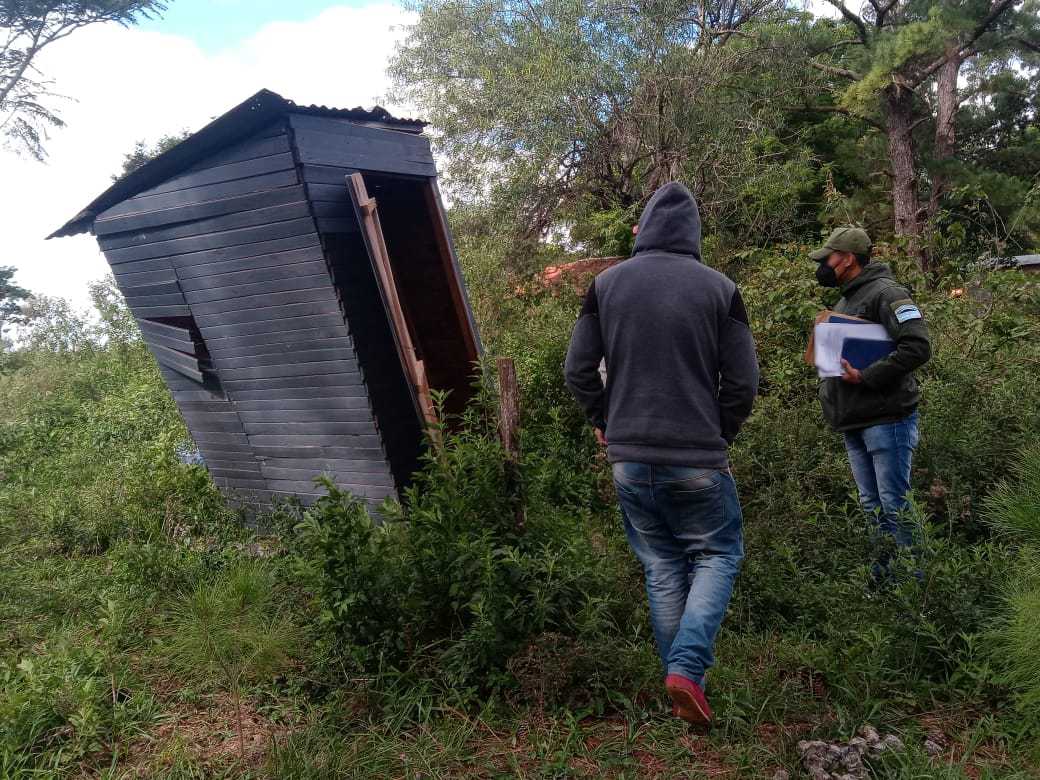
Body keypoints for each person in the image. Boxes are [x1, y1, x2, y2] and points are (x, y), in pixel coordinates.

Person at [564, 182, 759, 725]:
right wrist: (720, 433)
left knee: (662, 564)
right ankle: (687, 671)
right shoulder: (721, 289)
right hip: (697, 455)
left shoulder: (605, 285)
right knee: (717, 554)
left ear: (644, 227)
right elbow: (743, 382)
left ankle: (681, 686)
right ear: (693, 233)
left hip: (628, 458)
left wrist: (605, 422)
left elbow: (578, 370)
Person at [810, 227, 931, 578]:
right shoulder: (845, 300)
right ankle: (884, 585)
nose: (823, 266)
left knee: (895, 506)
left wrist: (866, 376)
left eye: (828, 258)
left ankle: (918, 589)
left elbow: (917, 347)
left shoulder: (888, 293)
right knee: (872, 507)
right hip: (855, 420)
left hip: (886, 418)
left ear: (848, 259)